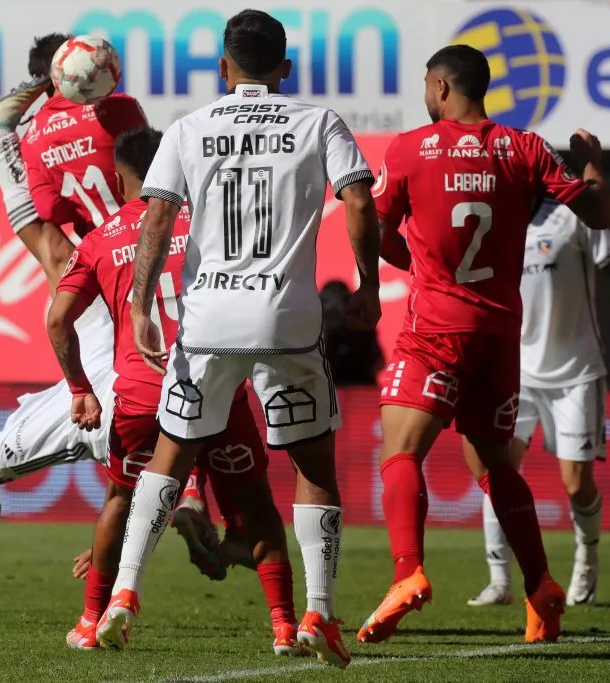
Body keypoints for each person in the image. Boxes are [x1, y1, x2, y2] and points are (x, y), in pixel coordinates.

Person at [94, 10, 382, 669]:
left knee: (171, 456)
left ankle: (124, 594)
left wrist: (140, 305)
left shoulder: (189, 127)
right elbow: (360, 202)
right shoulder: (319, 122)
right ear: (286, 69)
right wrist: (367, 285)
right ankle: (318, 612)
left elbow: (157, 216)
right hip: (288, 321)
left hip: (208, 321)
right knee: (313, 468)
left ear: (224, 68)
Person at [0, 34, 223, 609]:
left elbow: (51, 234)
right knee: (176, 425)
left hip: (99, 316)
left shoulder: (41, 142)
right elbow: (144, 160)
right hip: (154, 295)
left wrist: (16, 138)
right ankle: (190, 503)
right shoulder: (124, 117)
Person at [360, 44, 610, 646]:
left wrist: (411, 261)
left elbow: (374, 228)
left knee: (399, 453)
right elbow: (599, 213)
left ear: (442, 88)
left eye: (427, 84)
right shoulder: (525, 148)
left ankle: (407, 573)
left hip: (436, 329)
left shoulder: (410, 148)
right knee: (494, 464)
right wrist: (591, 164)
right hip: (500, 335)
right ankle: (541, 585)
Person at [47, 125, 300, 654]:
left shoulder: (100, 239)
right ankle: (284, 626)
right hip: (217, 384)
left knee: (122, 498)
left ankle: (92, 620)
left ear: (118, 177)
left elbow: (57, 320)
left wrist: (79, 387)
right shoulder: (213, 222)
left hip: (143, 395)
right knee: (255, 500)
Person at [465, 199, 610, 608]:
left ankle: (587, 557)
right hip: (518, 371)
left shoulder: (574, 215)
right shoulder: (496, 217)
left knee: (576, 484)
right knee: (498, 469)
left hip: (576, 372)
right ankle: (499, 579)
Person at [320, 280, 385, 385]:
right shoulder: (316, 331)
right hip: (341, 385)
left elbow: (379, 362)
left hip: (357, 386)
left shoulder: (361, 330)